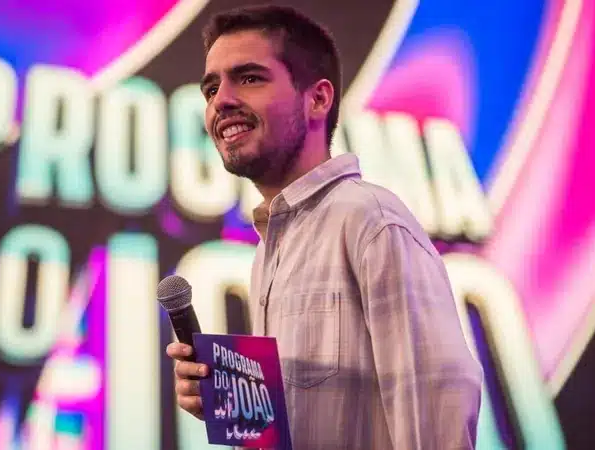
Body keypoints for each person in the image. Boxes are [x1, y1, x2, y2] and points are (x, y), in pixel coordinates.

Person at [166, 4, 483, 449]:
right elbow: (313, 416)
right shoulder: (269, 249)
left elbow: (437, 412)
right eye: (212, 88)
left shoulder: (371, 221)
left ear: (317, 99)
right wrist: (230, 399)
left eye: (250, 78)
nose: (221, 101)